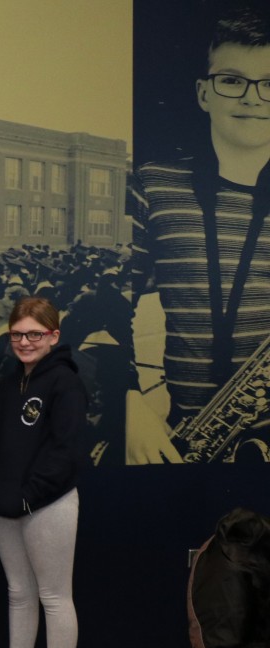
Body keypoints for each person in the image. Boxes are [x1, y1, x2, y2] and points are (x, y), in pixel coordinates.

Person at [127, 5, 270, 464]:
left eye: (269, 84)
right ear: (203, 93)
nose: (252, 99)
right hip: (180, 440)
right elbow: (103, 312)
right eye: (232, 80)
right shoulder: (151, 184)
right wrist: (128, 404)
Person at [0, 296, 86, 648]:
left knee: (55, 597)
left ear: (53, 336)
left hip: (48, 506)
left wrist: (29, 496)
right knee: (19, 593)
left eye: (34, 335)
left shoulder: (65, 383)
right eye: (17, 334)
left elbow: (67, 453)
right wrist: (2, 496)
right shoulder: (9, 382)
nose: (24, 342)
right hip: (8, 507)